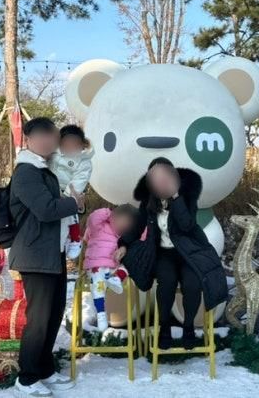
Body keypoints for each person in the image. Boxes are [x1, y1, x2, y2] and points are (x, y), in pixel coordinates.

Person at [9, 117, 86, 397]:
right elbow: (45, 209)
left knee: (53, 315)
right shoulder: (27, 171)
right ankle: (27, 377)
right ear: (28, 141)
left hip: (53, 251)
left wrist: (77, 204)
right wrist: (73, 203)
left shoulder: (46, 169)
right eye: (38, 137)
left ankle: (44, 369)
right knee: (39, 318)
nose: (45, 141)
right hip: (34, 254)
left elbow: (65, 204)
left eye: (49, 136)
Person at [117, 157, 228, 351]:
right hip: (163, 253)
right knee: (166, 282)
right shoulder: (148, 203)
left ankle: (188, 328)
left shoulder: (186, 197)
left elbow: (187, 225)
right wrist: (124, 244)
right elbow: (136, 227)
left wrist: (176, 198)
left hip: (188, 252)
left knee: (193, 283)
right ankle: (165, 328)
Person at [82, 204, 135, 331]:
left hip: (113, 267)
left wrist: (125, 247)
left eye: (126, 224)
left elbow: (142, 234)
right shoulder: (99, 227)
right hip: (96, 266)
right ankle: (101, 313)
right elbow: (93, 219)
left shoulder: (122, 236)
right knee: (98, 284)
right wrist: (109, 211)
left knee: (128, 266)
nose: (123, 226)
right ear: (113, 217)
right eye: (121, 221)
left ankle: (116, 279)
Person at [48, 124, 93, 260]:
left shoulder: (84, 162)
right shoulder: (52, 154)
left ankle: (74, 238)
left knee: (71, 215)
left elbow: (79, 180)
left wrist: (67, 196)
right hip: (50, 191)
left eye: (74, 144)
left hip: (67, 193)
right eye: (66, 144)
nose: (70, 147)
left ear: (82, 145)